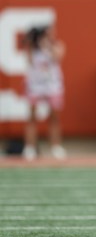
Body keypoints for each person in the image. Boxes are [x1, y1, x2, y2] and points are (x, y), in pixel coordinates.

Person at [22, 24, 66, 161]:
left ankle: (55, 147)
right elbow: (29, 61)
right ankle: (30, 147)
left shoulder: (56, 45)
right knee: (32, 116)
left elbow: (57, 57)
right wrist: (32, 42)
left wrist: (47, 44)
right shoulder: (33, 48)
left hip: (52, 85)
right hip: (35, 85)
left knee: (54, 117)